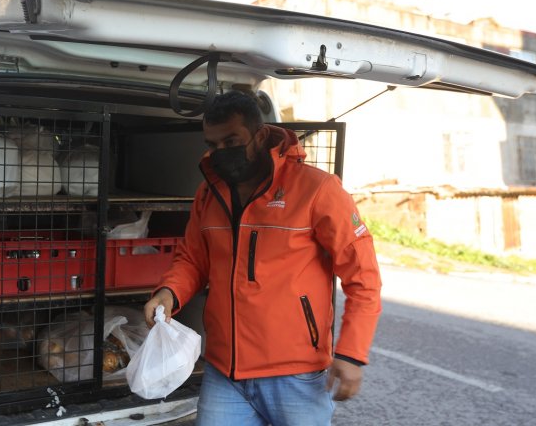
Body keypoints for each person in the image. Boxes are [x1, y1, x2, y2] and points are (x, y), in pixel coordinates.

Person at [144, 90, 382, 425]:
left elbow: (363, 276)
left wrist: (352, 353)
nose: (221, 153)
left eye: (231, 141)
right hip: (224, 372)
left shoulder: (317, 189)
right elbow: (193, 259)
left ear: (258, 135)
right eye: (213, 145)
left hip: (296, 376)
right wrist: (169, 293)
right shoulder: (209, 193)